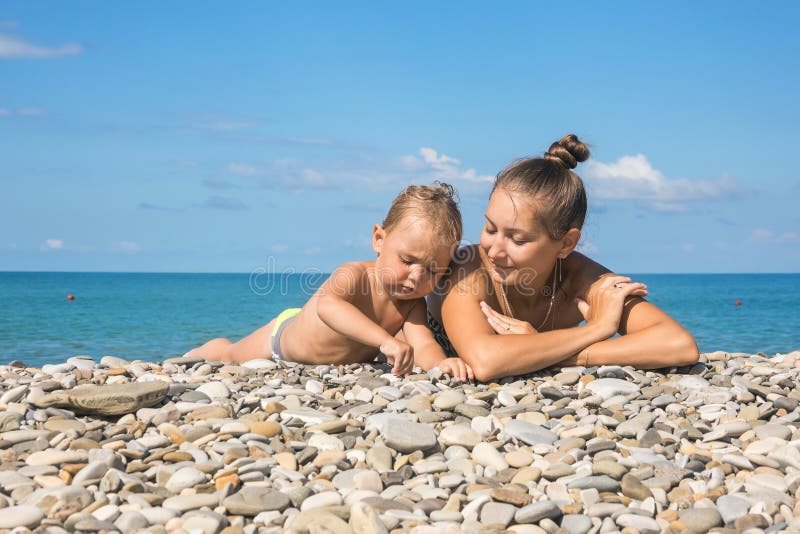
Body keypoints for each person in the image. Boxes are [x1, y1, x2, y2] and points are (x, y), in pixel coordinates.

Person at [427, 134, 698, 382]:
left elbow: (678, 344)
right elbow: (485, 361)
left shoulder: (580, 277)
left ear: (566, 243)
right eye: (490, 229)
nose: (494, 249)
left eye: (517, 239)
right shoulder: (467, 269)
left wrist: (550, 351)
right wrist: (597, 328)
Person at [186, 183, 474, 381]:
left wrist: (440, 364)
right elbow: (328, 306)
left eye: (433, 271)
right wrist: (386, 341)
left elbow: (422, 343)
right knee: (229, 355)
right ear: (379, 239)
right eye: (407, 261)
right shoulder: (355, 275)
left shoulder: (412, 306)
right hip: (281, 342)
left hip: (323, 359)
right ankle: (200, 352)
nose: (417, 277)